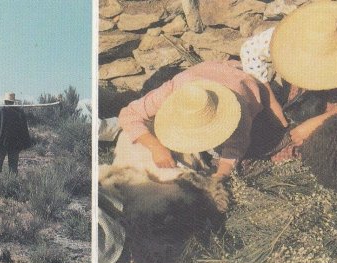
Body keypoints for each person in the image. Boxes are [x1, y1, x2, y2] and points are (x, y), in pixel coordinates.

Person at [240, 1, 337, 149]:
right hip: (303, 92)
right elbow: (249, 50)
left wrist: (315, 125)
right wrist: (270, 102)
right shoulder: (298, 33)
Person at [115, 60, 285, 186]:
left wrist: (219, 177)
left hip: (239, 76)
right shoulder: (174, 89)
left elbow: (234, 149)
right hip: (205, 71)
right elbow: (128, 115)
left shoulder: (239, 112)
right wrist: (156, 147)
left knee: (237, 147)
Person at [0, 92, 32, 179]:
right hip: (15, 143)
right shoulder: (19, 112)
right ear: (13, 102)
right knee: (13, 166)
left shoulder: (2, 111)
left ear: (5, 101)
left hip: (2, 142)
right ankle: (12, 183)